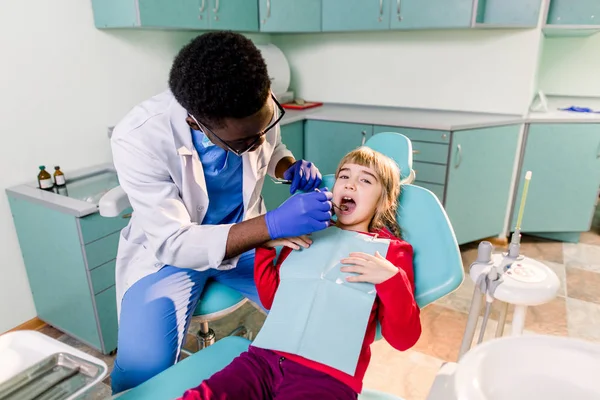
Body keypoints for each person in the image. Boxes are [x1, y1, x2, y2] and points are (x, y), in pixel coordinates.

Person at [109, 31, 333, 394]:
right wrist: (272, 224)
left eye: (266, 124)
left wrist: (286, 166)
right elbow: (174, 241)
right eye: (245, 140)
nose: (258, 141)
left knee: (315, 310)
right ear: (197, 122)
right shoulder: (138, 138)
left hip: (247, 241)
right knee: (141, 375)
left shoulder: (251, 101)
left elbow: (270, 146)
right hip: (172, 256)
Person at [179, 147, 422, 400]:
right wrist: (265, 246)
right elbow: (274, 301)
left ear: (384, 200)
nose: (350, 185)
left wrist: (391, 279)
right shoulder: (307, 230)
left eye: (365, 180)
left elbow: (403, 339)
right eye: (344, 176)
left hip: (327, 377)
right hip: (264, 359)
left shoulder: (391, 253)